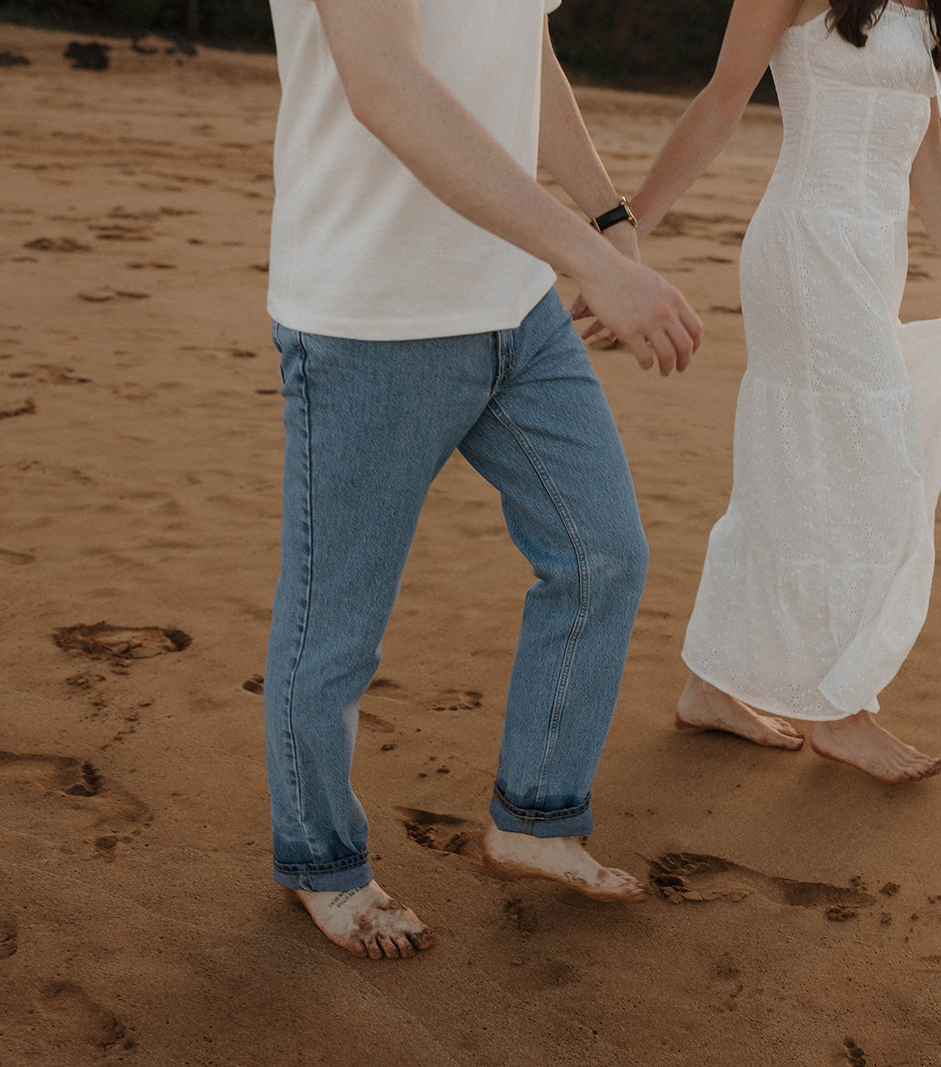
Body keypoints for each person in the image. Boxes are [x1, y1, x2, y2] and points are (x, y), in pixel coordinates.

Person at [262, 0, 703, 960]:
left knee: (602, 557)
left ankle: (537, 815)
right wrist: (588, 256)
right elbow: (385, 85)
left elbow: (523, 45)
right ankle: (322, 863)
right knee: (333, 629)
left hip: (513, 305)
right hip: (368, 320)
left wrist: (610, 214)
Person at [616, 0, 941, 783]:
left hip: (870, 255)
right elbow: (722, 100)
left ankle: (712, 684)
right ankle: (841, 710)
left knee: (785, 475)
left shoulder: (934, 4)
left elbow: (925, 145)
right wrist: (621, 239)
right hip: (807, 246)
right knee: (871, 470)